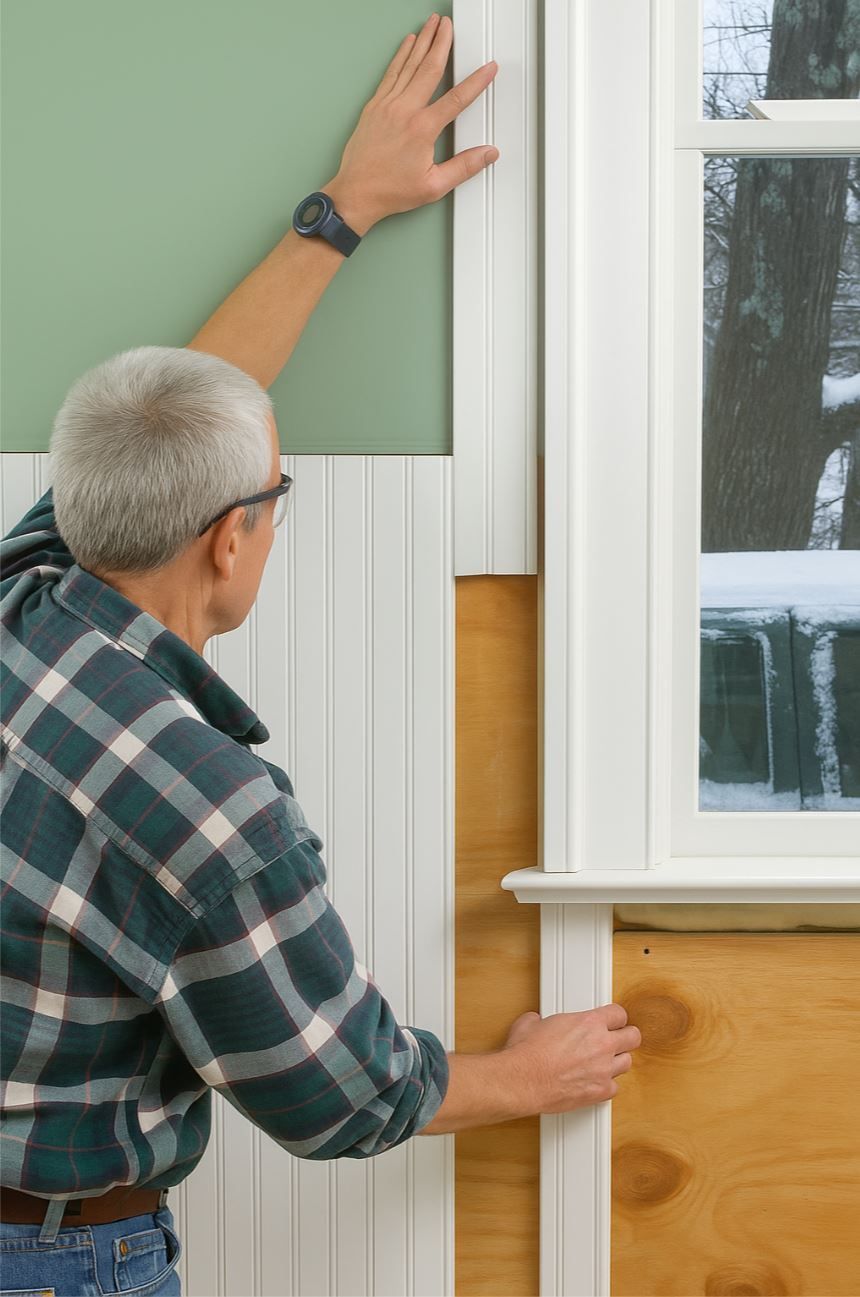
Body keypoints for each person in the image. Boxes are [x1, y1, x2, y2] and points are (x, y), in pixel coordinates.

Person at [0, 13, 641, 1295]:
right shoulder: (210, 809)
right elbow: (333, 1091)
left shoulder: (26, 596)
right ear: (234, 540)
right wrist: (530, 1070)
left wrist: (340, 211)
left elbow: (184, 413)